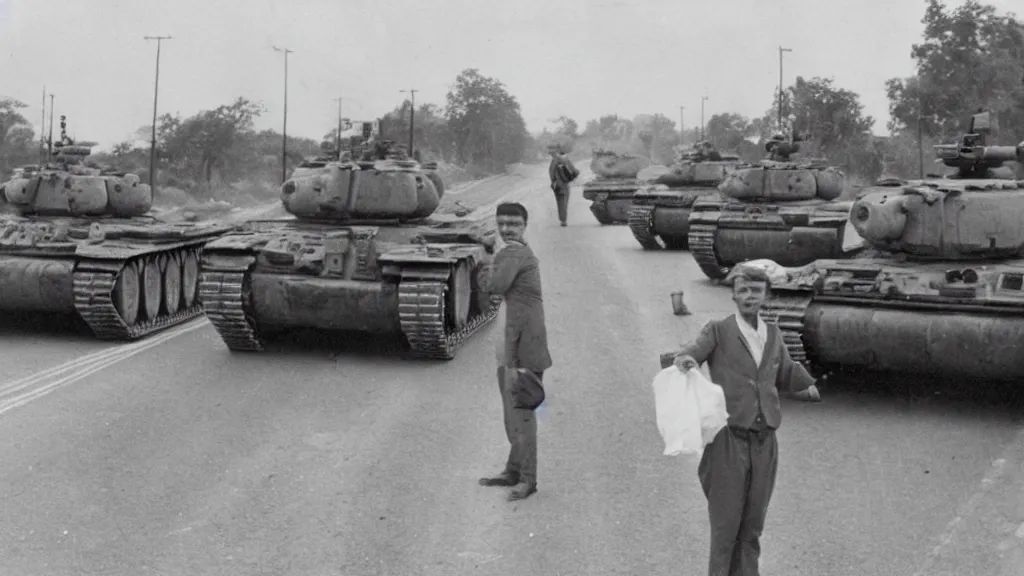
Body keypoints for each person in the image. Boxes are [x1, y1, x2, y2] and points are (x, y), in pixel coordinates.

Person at [669, 266, 821, 576]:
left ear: (767, 295)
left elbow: (785, 371)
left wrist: (810, 385)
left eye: (756, 290)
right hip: (729, 441)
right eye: (743, 290)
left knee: (752, 527)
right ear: (733, 295)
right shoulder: (718, 330)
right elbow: (693, 353)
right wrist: (685, 360)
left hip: (765, 442)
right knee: (726, 528)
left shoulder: (774, 334)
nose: (749, 296)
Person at [478, 202, 553, 501]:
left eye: (514, 223)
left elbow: (492, 286)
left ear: (524, 225)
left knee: (522, 413)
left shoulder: (514, 252)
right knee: (512, 412)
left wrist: (486, 255)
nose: (506, 228)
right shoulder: (516, 249)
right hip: (512, 342)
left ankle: (528, 480)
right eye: (502, 223)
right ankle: (512, 470)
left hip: (523, 346)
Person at [547, 144, 578, 227]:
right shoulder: (566, 159)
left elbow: (551, 173)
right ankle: (564, 219)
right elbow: (574, 171)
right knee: (565, 201)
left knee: (560, 201)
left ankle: (563, 220)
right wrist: (571, 176)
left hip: (558, 184)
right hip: (566, 183)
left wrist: (553, 182)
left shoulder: (555, 160)